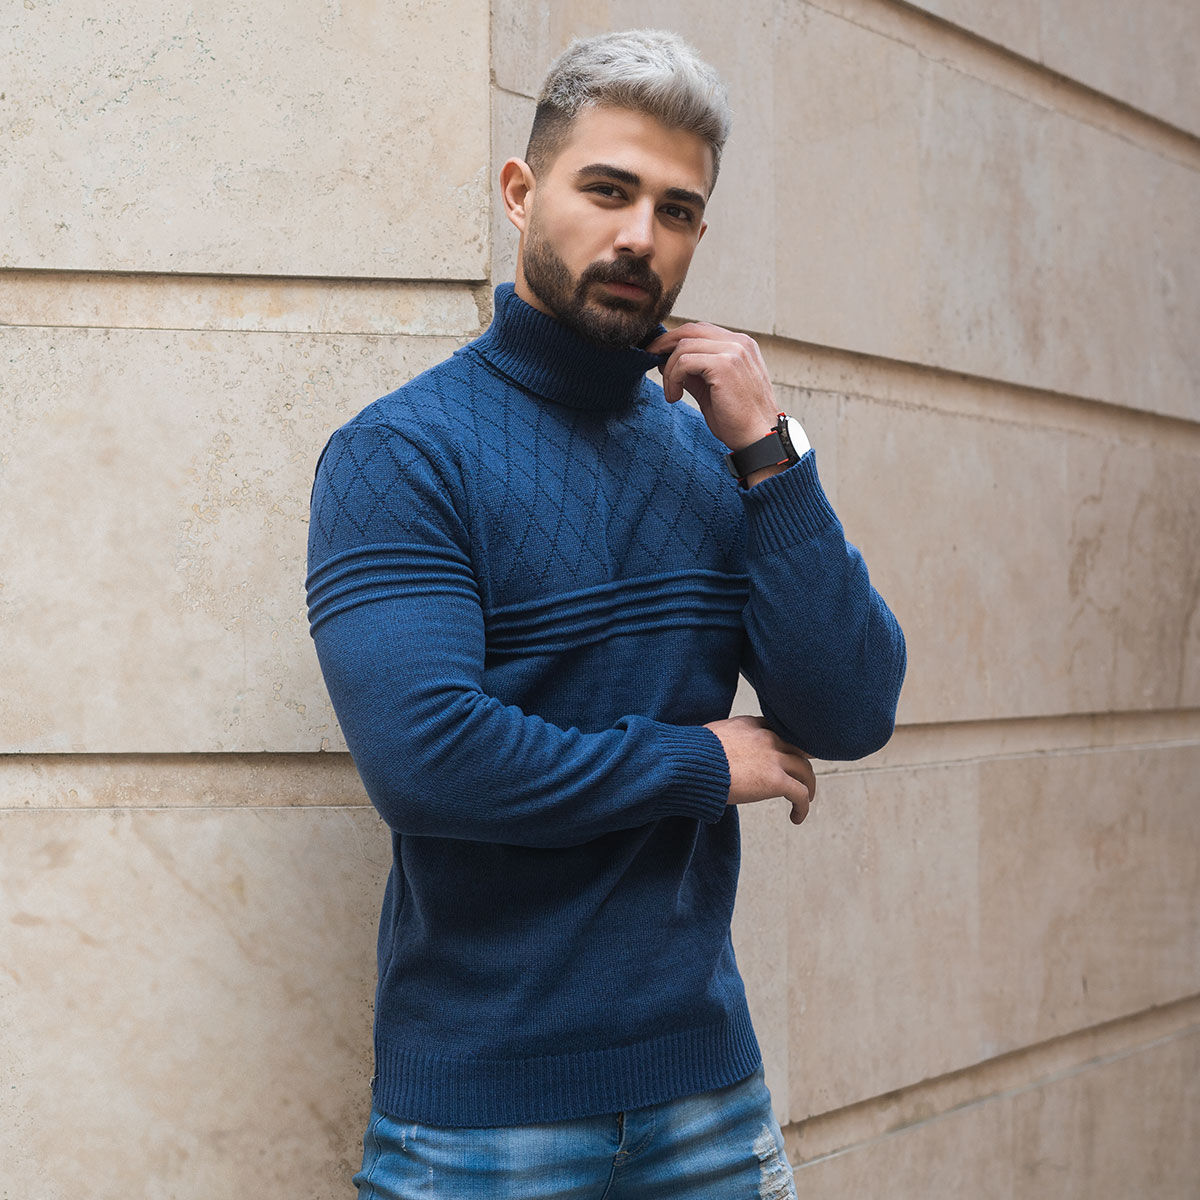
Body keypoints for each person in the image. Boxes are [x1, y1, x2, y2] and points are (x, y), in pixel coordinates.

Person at [306, 27, 905, 1199]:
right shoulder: (400, 456)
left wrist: (770, 454)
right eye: (608, 190)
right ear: (521, 194)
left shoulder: (715, 455)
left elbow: (851, 708)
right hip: (483, 1126)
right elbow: (428, 763)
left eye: (677, 210)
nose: (640, 235)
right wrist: (700, 764)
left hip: (710, 1102)